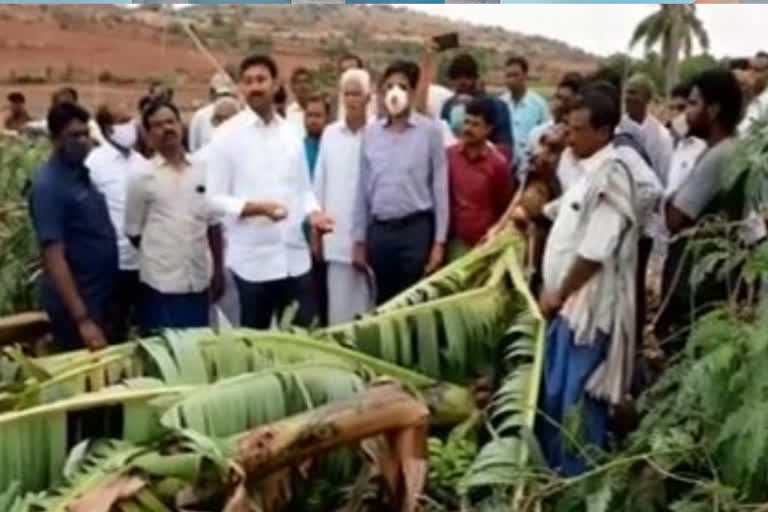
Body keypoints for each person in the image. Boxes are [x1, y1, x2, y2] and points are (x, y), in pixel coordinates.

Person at [537, 88, 639, 476]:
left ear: (603, 132)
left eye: (579, 130)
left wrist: (558, 293)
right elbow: (562, 216)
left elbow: (594, 253)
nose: (571, 137)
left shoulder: (611, 176)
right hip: (567, 309)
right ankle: (552, 480)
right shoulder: (584, 173)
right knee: (557, 397)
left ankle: (579, 486)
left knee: (579, 404)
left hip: (586, 310)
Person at [206, 54, 334, 329]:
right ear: (241, 87)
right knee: (257, 346)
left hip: (295, 260)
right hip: (253, 265)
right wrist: (255, 208)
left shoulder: (291, 133)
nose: (255, 87)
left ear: (275, 85)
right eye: (248, 81)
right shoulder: (226, 136)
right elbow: (214, 200)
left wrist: (314, 215)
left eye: (261, 80)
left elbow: (304, 191)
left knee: (302, 337)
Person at [659, 69, 744, 350]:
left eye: (694, 104)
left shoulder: (719, 157)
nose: (687, 114)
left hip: (699, 287)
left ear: (714, 109)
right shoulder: (736, 150)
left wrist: (669, 194)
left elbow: (675, 218)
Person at [353, 60, 449, 304]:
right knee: (383, 301)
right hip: (380, 232)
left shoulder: (430, 132)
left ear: (413, 92)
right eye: (390, 86)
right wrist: (359, 240)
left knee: (412, 302)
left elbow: (440, 187)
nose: (395, 92)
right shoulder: (371, 134)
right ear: (382, 93)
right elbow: (362, 190)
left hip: (415, 231)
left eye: (403, 87)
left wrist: (439, 242)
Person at [124, 101, 225, 332]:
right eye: (157, 125)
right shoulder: (141, 177)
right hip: (161, 286)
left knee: (198, 350)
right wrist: (165, 253)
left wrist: (218, 271)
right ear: (148, 135)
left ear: (181, 125)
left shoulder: (204, 170)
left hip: (198, 281)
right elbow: (134, 233)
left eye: (170, 121)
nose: (166, 128)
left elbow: (213, 225)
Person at [28, 102, 118, 351]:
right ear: (55, 139)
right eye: (74, 136)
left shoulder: (81, 174)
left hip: (100, 296)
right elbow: (54, 258)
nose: (83, 141)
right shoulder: (49, 187)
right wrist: (83, 319)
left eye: (85, 134)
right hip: (77, 306)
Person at [314, 69, 375, 324]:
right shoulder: (330, 134)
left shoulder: (378, 134)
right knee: (338, 311)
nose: (351, 100)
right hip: (336, 238)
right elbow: (319, 185)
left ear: (368, 97)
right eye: (347, 93)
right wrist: (316, 233)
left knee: (368, 311)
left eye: (357, 94)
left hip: (370, 238)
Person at [86, 103, 146, 341]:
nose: (129, 126)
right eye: (122, 121)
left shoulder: (141, 162)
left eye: (130, 120)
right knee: (113, 327)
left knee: (143, 328)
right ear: (107, 129)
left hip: (142, 262)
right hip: (112, 264)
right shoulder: (94, 164)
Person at [446, 98, 515, 260]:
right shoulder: (449, 156)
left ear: (489, 129)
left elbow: (503, 206)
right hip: (454, 241)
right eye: (466, 122)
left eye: (475, 124)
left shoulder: (498, 164)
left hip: (485, 243)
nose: (468, 128)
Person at [440, 54, 513, 163]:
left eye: (467, 76)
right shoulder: (448, 106)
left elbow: (505, 150)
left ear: (475, 77)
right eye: (457, 77)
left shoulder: (497, 106)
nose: (462, 82)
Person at [618, 73, 674, 184]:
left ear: (647, 98)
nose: (628, 97)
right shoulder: (616, 131)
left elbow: (663, 176)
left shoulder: (662, 137)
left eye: (633, 93)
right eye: (626, 92)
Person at [500, 55, 551, 175]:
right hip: (505, 168)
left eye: (515, 75)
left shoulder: (539, 104)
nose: (511, 79)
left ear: (525, 76)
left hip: (529, 169)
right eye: (508, 76)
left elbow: (547, 135)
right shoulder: (500, 104)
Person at [526, 73, 583, 168]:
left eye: (566, 100)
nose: (559, 104)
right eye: (558, 97)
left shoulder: (578, 140)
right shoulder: (535, 134)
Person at [188, 72, 236, 152]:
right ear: (212, 93)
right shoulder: (200, 117)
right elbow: (193, 149)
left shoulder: (241, 115)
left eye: (226, 94)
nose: (224, 99)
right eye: (221, 95)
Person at [337, 53, 377, 121]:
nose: (348, 75)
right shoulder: (334, 102)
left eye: (352, 70)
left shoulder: (374, 101)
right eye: (344, 71)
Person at [738, 51, 768, 135]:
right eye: (749, 68)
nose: (751, 73)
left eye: (757, 70)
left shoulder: (764, 103)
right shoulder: (743, 94)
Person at [303, 95, 330, 179]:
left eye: (318, 115)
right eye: (309, 115)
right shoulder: (296, 148)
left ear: (327, 118)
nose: (313, 120)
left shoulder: (334, 148)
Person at [286, 67, 314, 139]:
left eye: (306, 81)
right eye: (298, 82)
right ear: (293, 87)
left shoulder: (318, 112)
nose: (302, 86)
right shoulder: (287, 113)